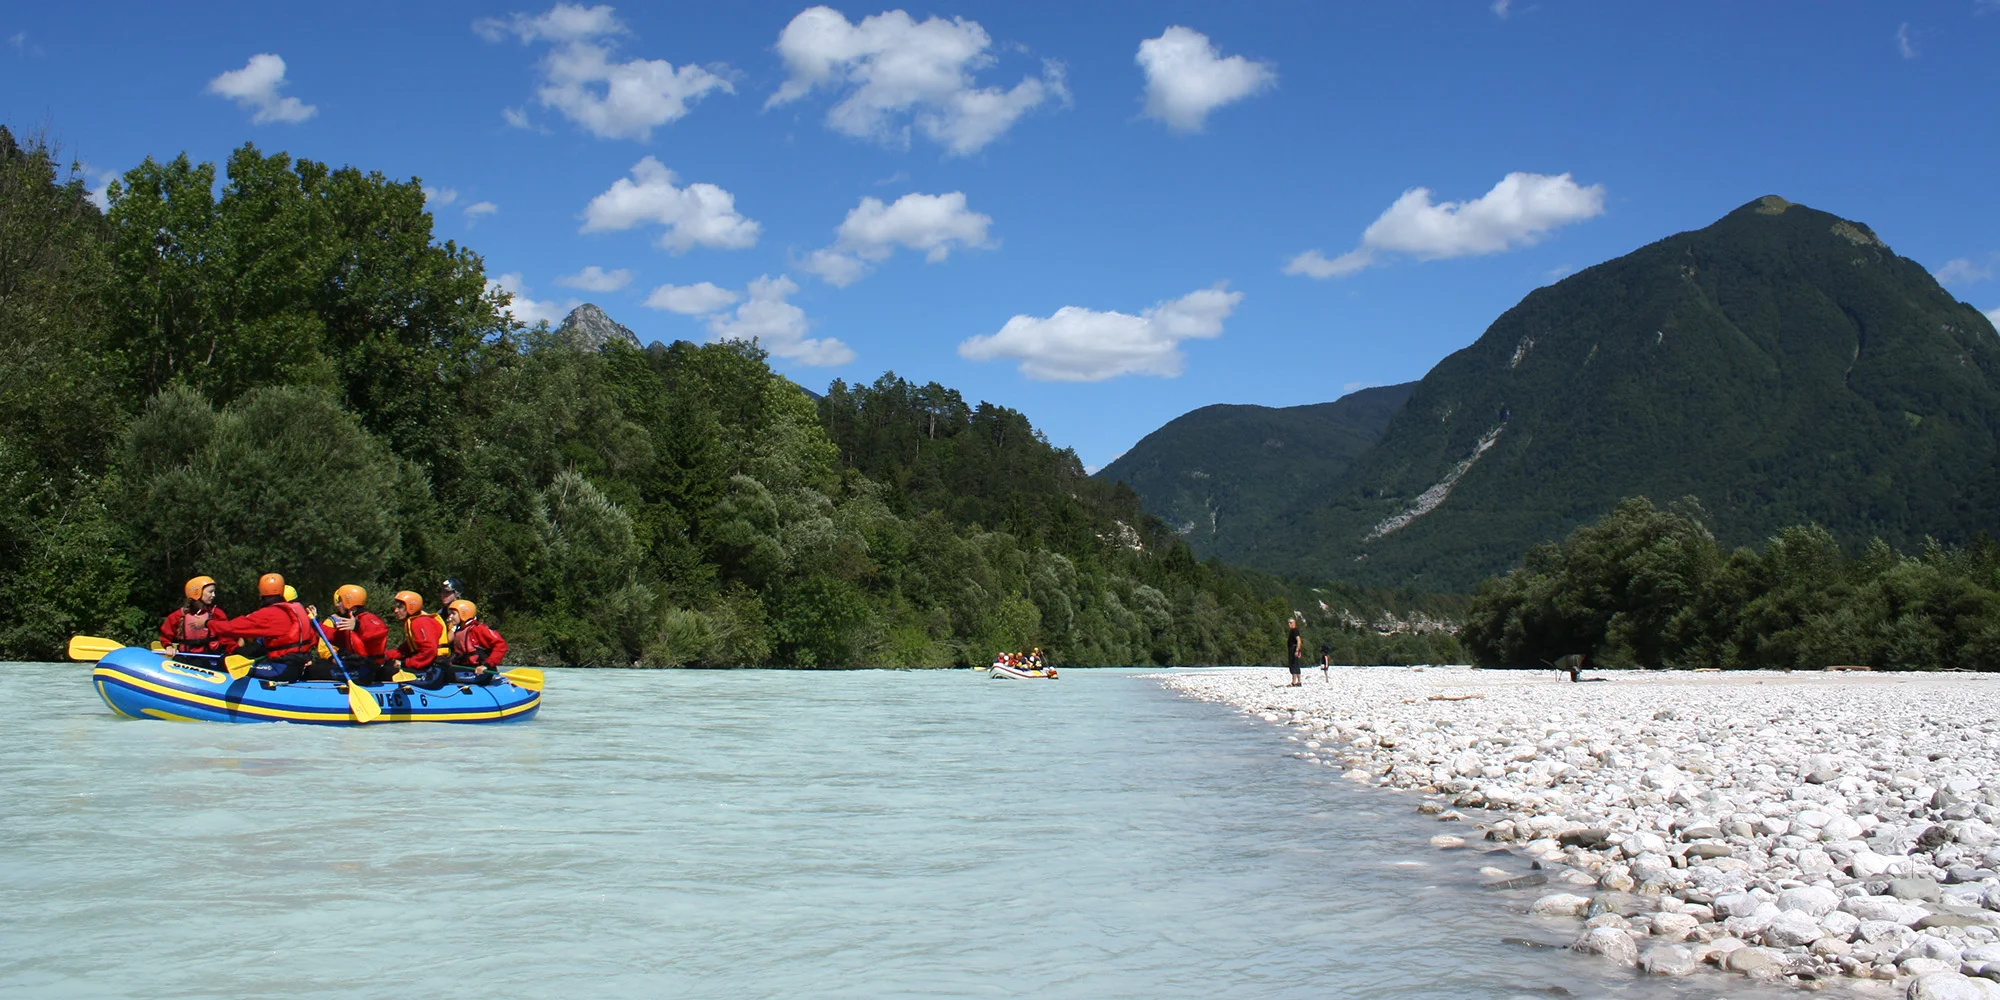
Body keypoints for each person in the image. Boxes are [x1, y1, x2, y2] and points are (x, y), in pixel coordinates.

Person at [193, 573, 316, 682]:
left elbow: (231, 628)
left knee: (223, 662)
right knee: (247, 654)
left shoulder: (269, 614)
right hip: (296, 667)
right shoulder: (297, 609)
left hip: (280, 669)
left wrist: (207, 623)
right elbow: (312, 639)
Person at [317, 585, 388, 684]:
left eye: (340, 601)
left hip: (365, 670)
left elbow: (379, 631)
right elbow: (336, 637)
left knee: (314, 671)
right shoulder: (351, 621)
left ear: (348, 602)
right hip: (356, 667)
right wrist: (316, 624)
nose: (337, 605)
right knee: (318, 665)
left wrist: (358, 627)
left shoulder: (367, 618)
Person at [385, 590, 449, 689]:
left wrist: (404, 663)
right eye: (395, 607)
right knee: (388, 667)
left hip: (433, 671)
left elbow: (429, 650)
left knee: (388, 672)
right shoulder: (415, 621)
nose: (396, 611)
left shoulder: (420, 622)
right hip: (427, 667)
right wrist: (385, 656)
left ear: (411, 607)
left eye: (400, 607)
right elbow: (404, 650)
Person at [159, 575, 235, 656]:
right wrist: (168, 646)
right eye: (210, 592)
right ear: (197, 592)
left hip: (210, 657)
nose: (214, 595)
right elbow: (165, 636)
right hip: (186, 656)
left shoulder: (217, 614)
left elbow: (227, 638)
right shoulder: (179, 615)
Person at [445, 599, 507, 685]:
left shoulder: (478, 629)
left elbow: (501, 645)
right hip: (466, 668)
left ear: (464, 614)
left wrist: (487, 665)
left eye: (453, 614)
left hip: (481, 671)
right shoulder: (459, 631)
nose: (450, 617)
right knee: (441, 671)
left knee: (444, 675)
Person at [1285, 616, 1303, 687]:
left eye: (1291, 623)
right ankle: (1298, 681)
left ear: (1294, 623)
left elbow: (1299, 640)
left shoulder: (1294, 630)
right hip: (1294, 648)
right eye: (1289, 623)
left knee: (1293, 665)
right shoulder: (1294, 630)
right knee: (1296, 665)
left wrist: (1297, 650)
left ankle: (1294, 682)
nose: (1289, 624)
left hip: (1293, 649)